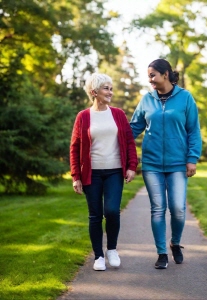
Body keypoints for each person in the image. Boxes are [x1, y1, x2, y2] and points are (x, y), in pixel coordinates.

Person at [130, 59, 202, 269]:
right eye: (149, 75)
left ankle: (175, 243)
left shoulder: (185, 98)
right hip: (152, 163)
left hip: (178, 163)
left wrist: (192, 158)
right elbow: (134, 128)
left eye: (153, 75)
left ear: (166, 74)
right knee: (158, 208)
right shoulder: (147, 99)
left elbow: (193, 130)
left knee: (178, 208)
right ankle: (161, 253)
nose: (150, 79)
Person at [70, 73, 138, 271]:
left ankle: (112, 250)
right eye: (106, 88)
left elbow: (128, 141)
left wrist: (132, 166)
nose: (111, 92)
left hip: (114, 171)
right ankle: (98, 256)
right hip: (92, 173)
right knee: (95, 215)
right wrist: (76, 176)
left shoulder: (118, 114)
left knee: (112, 211)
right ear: (94, 92)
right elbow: (75, 147)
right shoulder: (83, 116)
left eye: (111, 88)